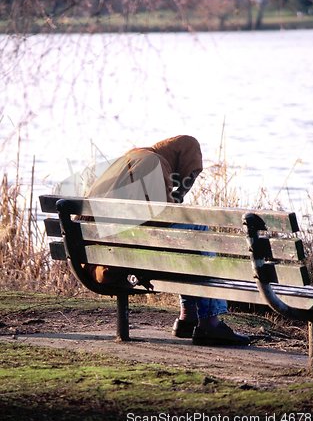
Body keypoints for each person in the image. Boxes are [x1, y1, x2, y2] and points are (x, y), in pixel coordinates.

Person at [84, 135, 250, 346]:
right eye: (190, 172)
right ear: (183, 159)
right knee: (199, 232)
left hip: (99, 259)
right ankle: (210, 321)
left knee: (189, 241)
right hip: (120, 262)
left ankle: (188, 318)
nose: (187, 179)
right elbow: (162, 220)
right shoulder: (155, 164)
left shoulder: (130, 159)